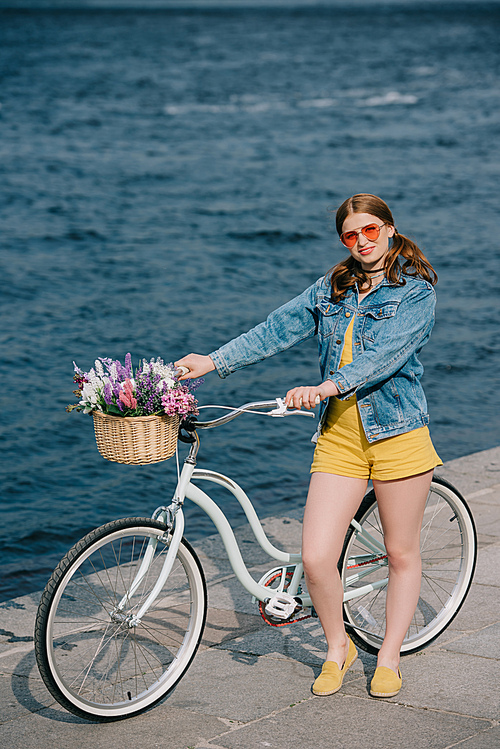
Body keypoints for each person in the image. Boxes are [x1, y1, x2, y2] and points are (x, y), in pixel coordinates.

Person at [175, 193, 442, 699]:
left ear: (388, 229)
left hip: (398, 435)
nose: (360, 242)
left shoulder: (415, 293)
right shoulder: (333, 289)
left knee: (399, 551)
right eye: (349, 235)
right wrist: (213, 361)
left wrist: (325, 387)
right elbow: (276, 329)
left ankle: (388, 657)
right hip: (339, 439)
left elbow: (384, 358)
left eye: (369, 231)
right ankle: (337, 648)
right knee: (318, 557)